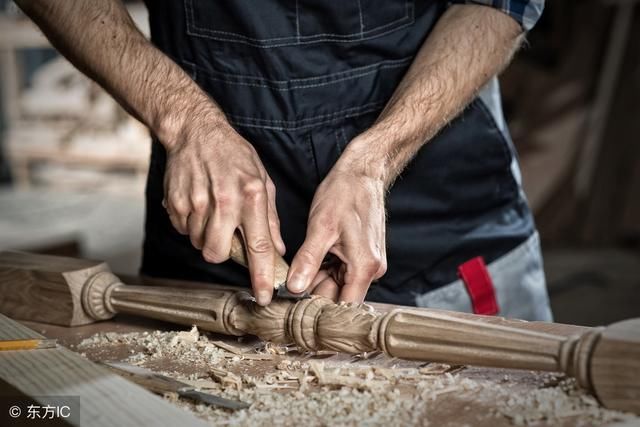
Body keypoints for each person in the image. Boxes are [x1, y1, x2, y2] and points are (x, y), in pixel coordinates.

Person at [16, 0, 552, 321]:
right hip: (210, 241)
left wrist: (375, 159)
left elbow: (496, 3)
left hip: (436, 235)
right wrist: (185, 119)